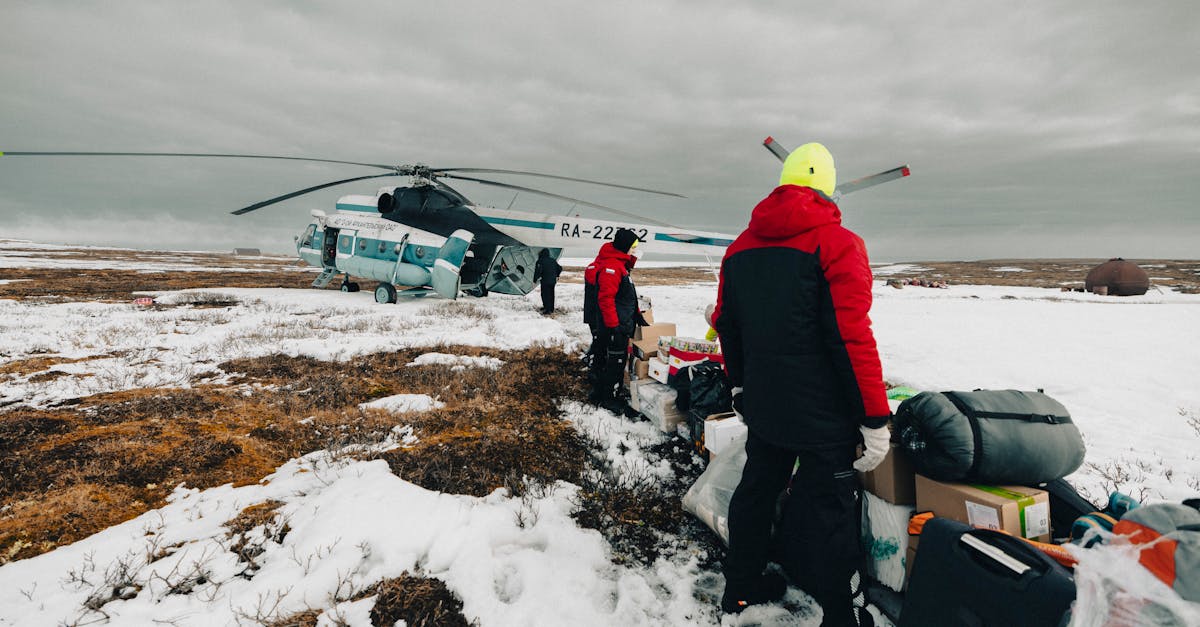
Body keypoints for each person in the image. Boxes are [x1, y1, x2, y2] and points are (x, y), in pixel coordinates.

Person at [712, 142, 891, 624]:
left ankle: (740, 589)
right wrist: (874, 417)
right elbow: (851, 337)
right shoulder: (838, 244)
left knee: (757, 491)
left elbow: (727, 324)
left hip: (766, 403)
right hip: (823, 414)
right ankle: (841, 615)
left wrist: (740, 386)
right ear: (827, 187)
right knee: (831, 513)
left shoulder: (740, 248)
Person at [583, 228, 642, 415]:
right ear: (625, 246)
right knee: (615, 362)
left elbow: (625, 297)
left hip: (620, 322)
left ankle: (599, 393)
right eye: (633, 246)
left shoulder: (619, 265)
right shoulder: (612, 267)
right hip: (615, 325)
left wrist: (637, 314)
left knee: (609, 359)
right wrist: (614, 326)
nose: (634, 250)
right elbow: (606, 299)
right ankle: (609, 398)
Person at [533, 248, 562, 314]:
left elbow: (538, 271)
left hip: (545, 281)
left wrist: (535, 280)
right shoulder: (553, 260)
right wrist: (557, 275)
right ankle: (551, 308)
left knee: (545, 294)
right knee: (551, 294)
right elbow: (560, 268)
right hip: (552, 281)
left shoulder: (540, 261)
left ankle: (547, 309)